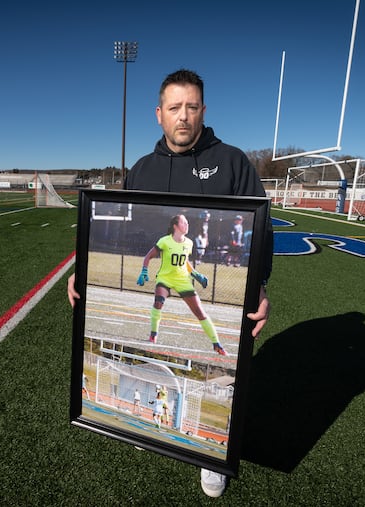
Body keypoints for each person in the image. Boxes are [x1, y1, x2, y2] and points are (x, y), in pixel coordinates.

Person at [68, 68, 273, 498]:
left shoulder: (232, 162)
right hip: (164, 280)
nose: (184, 117)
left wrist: (261, 286)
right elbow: (127, 234)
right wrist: (81, 270)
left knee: (211, 346)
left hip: (187, 281)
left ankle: (210, 456)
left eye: (192, 107)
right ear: (158, 114)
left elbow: (263, 231)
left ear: (203, 111)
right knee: (156, 317)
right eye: (175, 108)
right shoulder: (142, 170)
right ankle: (154, 421)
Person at [137, 214, 226, 355]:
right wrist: (144, 271)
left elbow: (185, 262)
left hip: (182, 280)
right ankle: (153, 335)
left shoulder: (189, 243)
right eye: (184, 222)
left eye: (187, 223)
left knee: (200, 312)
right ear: (175, 226)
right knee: (158, 302)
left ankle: (216, 344)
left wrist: (196, 275)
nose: (187, 225)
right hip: (165, 278)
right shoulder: (165, 241)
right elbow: (148, 256)